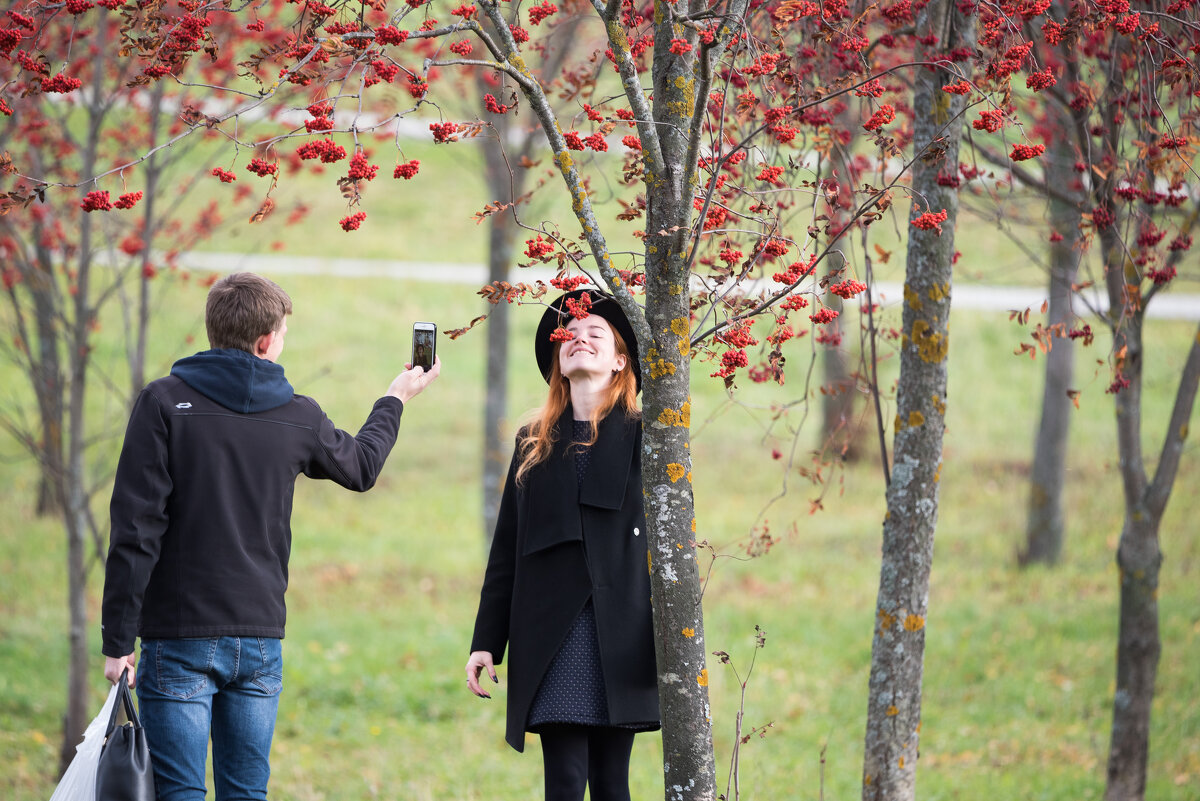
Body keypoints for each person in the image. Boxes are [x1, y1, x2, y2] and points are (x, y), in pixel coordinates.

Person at [100, 272, 440, 801]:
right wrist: (395, 398)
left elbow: (135, 528)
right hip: (259, 639)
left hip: (178, 635)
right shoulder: (297, 415)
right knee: (246, 794)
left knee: (179, 792)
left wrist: (117, 641)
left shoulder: (163, 403)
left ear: (214, 329)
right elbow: (362, 466)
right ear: (267, 342)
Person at [465, 288, 659, 801]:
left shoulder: (650, 437)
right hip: (551, 633)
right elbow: (507, 549)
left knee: (613, 784)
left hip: (621, 632)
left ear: (621, 360)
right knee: (566, 782)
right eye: (569, 334)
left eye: (596, 333)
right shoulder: (534, 441)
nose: (579, 339)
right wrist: (486, 641)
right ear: (557, 357)